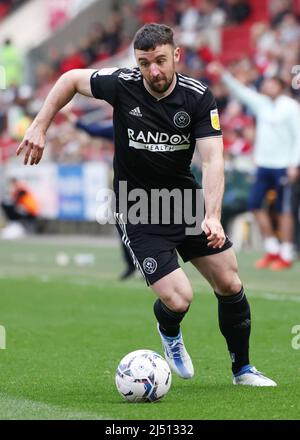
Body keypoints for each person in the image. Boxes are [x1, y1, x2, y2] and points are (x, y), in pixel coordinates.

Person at [16, 23, 276, 386]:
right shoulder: (123, 84)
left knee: (230, 281)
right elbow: (70, 78)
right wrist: (40, 126)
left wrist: (213, 217)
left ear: (176, 56)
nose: (153, 70)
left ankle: (243, 370)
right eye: (144, 63)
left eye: (160, 61)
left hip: (184, 203)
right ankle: (169, 331)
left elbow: (214, 160)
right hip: (138, 207)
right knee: (180, 298)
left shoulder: (197, 96)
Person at [208, 61, 300, 270]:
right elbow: (240, 91)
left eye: (270, 83)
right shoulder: (262, 104)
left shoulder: (291, 108)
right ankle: (272, 248)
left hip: (284, 165)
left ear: (280, 86)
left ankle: (286, 253)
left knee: (284, 210)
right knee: (255, 205)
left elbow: (298, 137)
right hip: (264, 165)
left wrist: (295, 164)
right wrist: (223, 73)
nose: (266, 86)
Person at [63, 110, 136, 280]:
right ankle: (132, 264)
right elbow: (93, 130)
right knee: (123, 225)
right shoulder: (121, 127)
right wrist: (75, 120)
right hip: (126, 183)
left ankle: (142, 264)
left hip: (147, 183)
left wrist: (75, 121)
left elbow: (93, 130)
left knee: (141, 226)